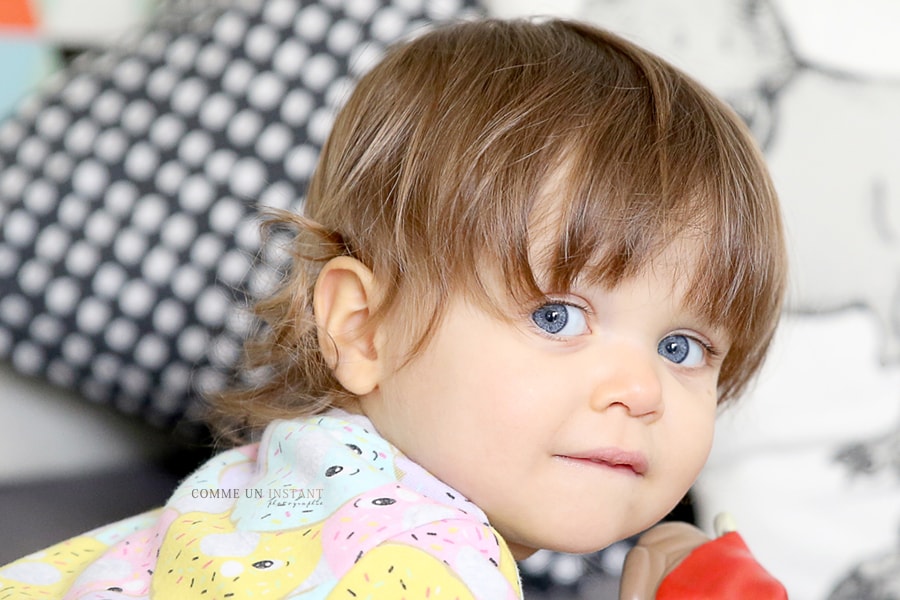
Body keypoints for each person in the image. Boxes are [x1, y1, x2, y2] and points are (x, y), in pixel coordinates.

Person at [0, 17, 788, 599]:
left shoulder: (293, 490)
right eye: (557, 317)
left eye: (682, 347)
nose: (641, 391)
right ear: (360, 326)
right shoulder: (415, 565)